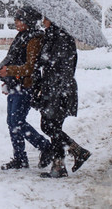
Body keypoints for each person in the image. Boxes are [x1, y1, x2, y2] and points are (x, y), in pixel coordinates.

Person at [33, 16, 91, 178]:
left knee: (50, 126)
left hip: (60, 91)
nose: (43, 21)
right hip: (53, 89)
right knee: (51, 126)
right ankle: (60, 165)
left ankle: (75, 153)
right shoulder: (52, 36)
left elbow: (64, 67)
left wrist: (47, 64)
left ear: (53, 20)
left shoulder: (63, 39)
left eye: (46, 18)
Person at [0, 6, 51, 170]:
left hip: (26, 85)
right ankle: (20, 157)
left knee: (17, 121)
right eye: (16, 19)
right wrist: (7, 76)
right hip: (15, 84)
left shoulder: (34, 39)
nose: (16, 22)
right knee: (11, 122)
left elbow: (30, 67)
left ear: (28, 21)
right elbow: (14, 59)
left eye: (19, 19)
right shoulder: (22, 36)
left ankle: (45, 147)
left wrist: (10, 71)